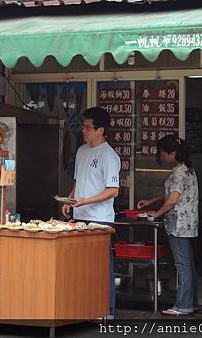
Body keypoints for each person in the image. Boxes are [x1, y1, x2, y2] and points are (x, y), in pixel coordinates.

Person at [61, 106, 120, 319]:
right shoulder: (82, 151)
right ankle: (85, 307)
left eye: (87, 127)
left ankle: (107, 310)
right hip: (80, 217)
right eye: (84, 127)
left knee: (102, 267)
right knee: (81, 266)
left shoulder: (109, 155)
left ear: (100, 130)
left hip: (100, 221)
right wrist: (70, 200)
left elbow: (113, 190)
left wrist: (87, 200)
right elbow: (79, 181)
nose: (83, 131)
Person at [137, 135, 199, 316]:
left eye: (163, 153)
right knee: (188, 264)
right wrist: (151, 201)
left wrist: (156, 213)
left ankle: (183, 305)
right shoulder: (187, 169)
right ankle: (191, 302)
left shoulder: (179, 173)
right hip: (188, 223)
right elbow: (172, 194)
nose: (162, 156)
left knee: (182, 265)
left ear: (173, 153)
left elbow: (172, 200)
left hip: (178, 224)